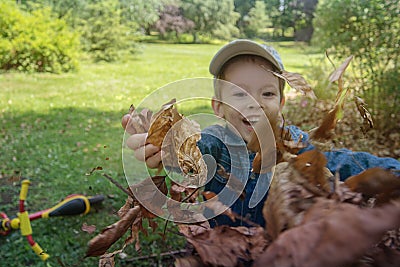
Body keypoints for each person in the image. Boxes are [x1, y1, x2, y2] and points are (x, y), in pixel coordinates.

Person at [121, 39, 400, 227]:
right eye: (239, 94)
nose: (253, 102)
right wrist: (165, 144)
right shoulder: (217, 144)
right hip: (222, 262)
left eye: (266, 92)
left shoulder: (298, 149)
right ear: (218, 107)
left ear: (280, 103)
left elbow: (348, 164)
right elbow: (194, 150)